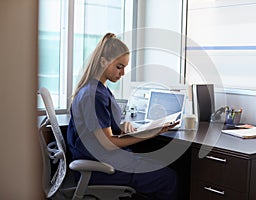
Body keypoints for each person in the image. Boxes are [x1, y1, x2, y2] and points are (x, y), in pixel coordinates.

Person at [67, 33, 178, 200]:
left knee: (161, 167)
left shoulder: (97, 88)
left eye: (125, 67)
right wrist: (151, 132)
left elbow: (103, 128)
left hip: (105, 160)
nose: (123, 73)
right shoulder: (94, 95)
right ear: (103, 61)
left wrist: (122, 126)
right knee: (169, 178)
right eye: (119, 67)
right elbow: (108, 144)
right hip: (101, 169)